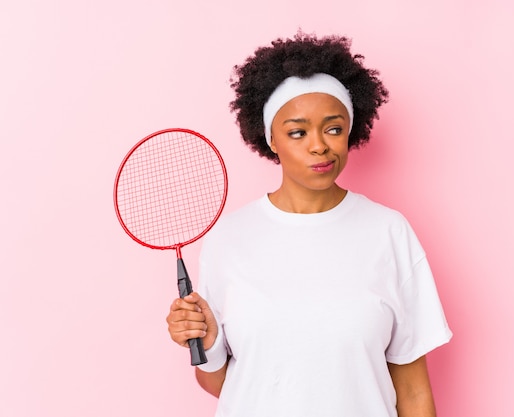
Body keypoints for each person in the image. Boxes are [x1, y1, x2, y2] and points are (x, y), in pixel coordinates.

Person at [166, 32, 452, 417]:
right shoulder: (229, 239)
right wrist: (210, 343)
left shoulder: (388, 231)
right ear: (271, 140)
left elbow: (415, 393)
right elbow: (223, 384)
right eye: (298, 132)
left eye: (333, 129)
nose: (320, 145)